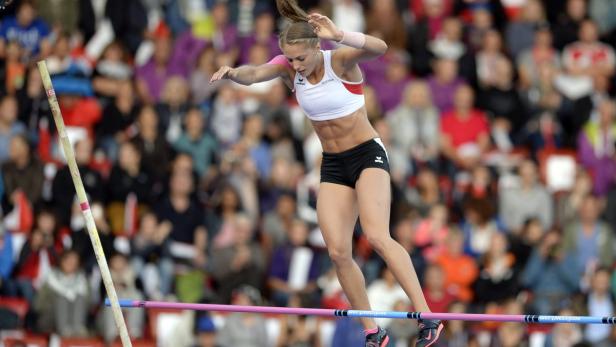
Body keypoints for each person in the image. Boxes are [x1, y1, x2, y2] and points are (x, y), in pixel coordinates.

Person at [210, 1, 443, 345]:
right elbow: (255, 74)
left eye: (301, 58)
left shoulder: (340, 60)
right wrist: (232, 73)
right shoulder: (288, 70)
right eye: (289, 59)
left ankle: (428, 317)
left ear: (317, 47)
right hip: (334, 163)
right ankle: (372, 330)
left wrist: (341, 35)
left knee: (377, 236)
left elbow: (381, 48)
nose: (295, 65)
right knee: (337, 252)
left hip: (366, 155)